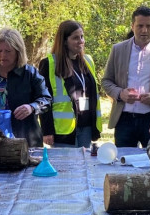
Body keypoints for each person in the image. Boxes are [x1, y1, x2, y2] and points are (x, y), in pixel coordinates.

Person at [101, 6, 150, 147]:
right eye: (140, 26)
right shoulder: (117, 50)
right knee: (123, 163)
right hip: (124, 119)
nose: (144, 30)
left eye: (149, 26)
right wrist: (120, 93)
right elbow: (106, 81)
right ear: (132, 26)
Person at [0, 27, 51, 147]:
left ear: (18, 52)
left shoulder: (30, 73)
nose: (3, 55)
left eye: (8, 51)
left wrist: (31, 107)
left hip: (25, 141)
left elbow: (46, 99)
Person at [38, 20, 102, 148]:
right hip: (64, 130)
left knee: (85, 166)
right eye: (75, 38)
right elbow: (44, 100)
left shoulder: (88, 61)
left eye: (82, 37)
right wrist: (47, 130)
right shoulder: (49, 64)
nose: (81, 41)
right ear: (64, 41)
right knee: (67, 167)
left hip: (87, 126)